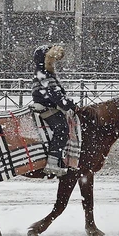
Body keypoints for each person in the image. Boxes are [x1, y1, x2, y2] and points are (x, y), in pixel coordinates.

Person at [30, 44, 77, 176]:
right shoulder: (44, 74)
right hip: (46, 107)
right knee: (62, 128)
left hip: (47, 105)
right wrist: (69, 105)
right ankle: (53, 161)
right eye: (53, 60)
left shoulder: (44, 73)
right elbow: (56, 95)